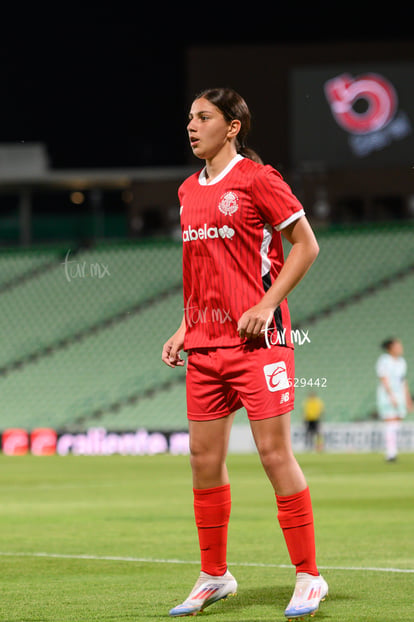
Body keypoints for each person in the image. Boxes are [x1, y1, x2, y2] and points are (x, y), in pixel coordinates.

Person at [162, 87, 328, 620]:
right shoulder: (188, 190)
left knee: (274, 455)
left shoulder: (260, 180)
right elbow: (200, 273)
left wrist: (268, 303)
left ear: (232, 126)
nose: (192, 126)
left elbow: (306, 245)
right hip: (206, 346)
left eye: (204, 117)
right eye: (189, 118)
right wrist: (184, 326)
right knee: (203, 461)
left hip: (259, 343)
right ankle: (215, 575)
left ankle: (309, 577)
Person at [376, 338, 412, 461]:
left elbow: (403, 381)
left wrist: (408, 399)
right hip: (387, 395)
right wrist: (391, 396)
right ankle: (391, 453)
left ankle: (393, 451)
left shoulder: (402, 362)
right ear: (390, 348)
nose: (401, 347)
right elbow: (384, 378)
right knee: (390, 422)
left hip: (400, 395)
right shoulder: (384, 360)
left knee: (396, 423)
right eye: (398, 345)